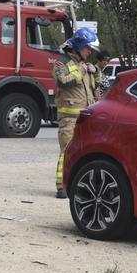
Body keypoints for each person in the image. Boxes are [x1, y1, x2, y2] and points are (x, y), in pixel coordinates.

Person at [52, 27, 101, 198]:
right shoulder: (61, 63)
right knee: (66, 150)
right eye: (88, 48)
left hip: (85, 118)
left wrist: (96, 73)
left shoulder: (84, 65)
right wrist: (80, 71)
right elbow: (63, 81)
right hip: (69, 118)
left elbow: (96, 87)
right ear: (79, 46)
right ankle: (61, 187)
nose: (89, 52)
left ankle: (83, 185)